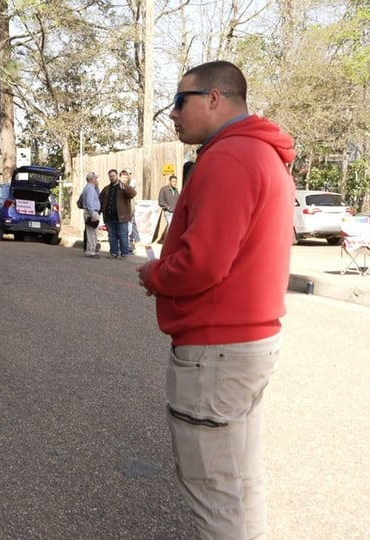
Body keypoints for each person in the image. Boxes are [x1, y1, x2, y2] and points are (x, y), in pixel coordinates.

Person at [136, 60, 295, 539]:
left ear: (214, 98)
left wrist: (154, 274)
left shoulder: (227, 158)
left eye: (180, 102)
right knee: (241, 483)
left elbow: (202, 264)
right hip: (249, 342)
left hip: (216, 349)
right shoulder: (262, 153)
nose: (173, 114)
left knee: (213, 494)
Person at [99, 168, 136, 259]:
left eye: (113, 176)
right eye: (110, 176)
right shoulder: (106, 189)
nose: (112, 178)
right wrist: (98, 213)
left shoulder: (123, 187)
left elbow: (133, 194)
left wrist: (125, 187)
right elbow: (100, 201)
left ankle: (124, 254)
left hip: (121, 216)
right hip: (109, 217)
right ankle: (113, 253)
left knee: (123, 235)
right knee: (112, 236)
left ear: (117, 176)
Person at [81, 172, 101, 257]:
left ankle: (91, 250)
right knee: (92, 233)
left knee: (92, 232)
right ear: (92, 179)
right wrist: (92, 213)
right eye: (95, 178)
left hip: (91, 211)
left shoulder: (90, 188)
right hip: (91, 212)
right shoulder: (89, 188)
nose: (96, 180)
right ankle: (91, 251)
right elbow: (89, 202)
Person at [121, 169, 140, 252]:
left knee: (128, 231)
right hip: (121, 213)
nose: (128, 176)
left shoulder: (131, 185)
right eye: (126, 174)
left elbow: (132, 194)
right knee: (122, 231)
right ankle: (123, 247)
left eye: (129, 174)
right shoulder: (119, 186)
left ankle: (127, 247)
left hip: (129, 212)